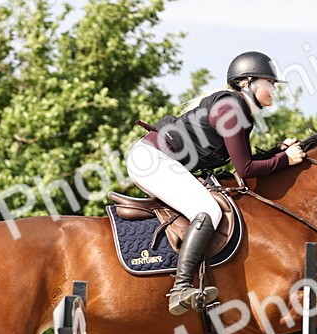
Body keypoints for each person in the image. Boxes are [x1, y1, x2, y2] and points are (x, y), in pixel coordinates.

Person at [125, 51, 306, 315]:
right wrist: (285, 161)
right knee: (209, 210)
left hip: (158, 159)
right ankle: (180, 288)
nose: (274, 89)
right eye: (270, 82)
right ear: (247, 82)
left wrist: (279, 153)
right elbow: (245, 170)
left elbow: (243, 162)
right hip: (152, 160)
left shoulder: (236, 109)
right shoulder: (231, 109)